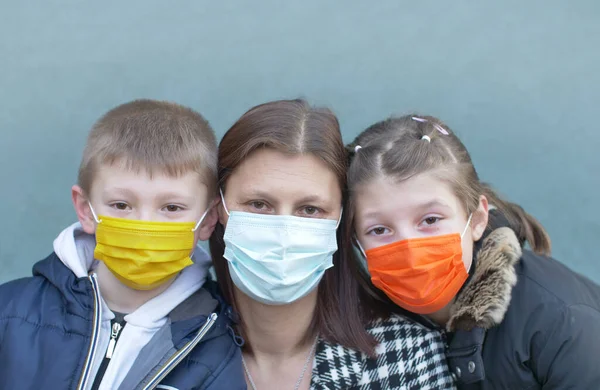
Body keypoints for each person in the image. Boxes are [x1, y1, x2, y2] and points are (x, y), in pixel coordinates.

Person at [209, 99, 456, 389]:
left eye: (310, 209)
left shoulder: (409, 355)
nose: (284, 231)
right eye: (259, 204)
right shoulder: (173, 345)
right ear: (219, 208)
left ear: (340, 218)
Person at [0, 100, 245, 390]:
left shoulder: (217, 346)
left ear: (208, 219)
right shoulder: (10, 311)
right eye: (121, 204)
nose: (145, 224)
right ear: (85, 210)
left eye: (171, 207)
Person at [347, 114, 600, 389]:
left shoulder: (560, 321)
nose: (408, 248)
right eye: (379, 230)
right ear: (355, 240)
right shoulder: (358, 331)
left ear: (477, 219)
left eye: (430, 220)